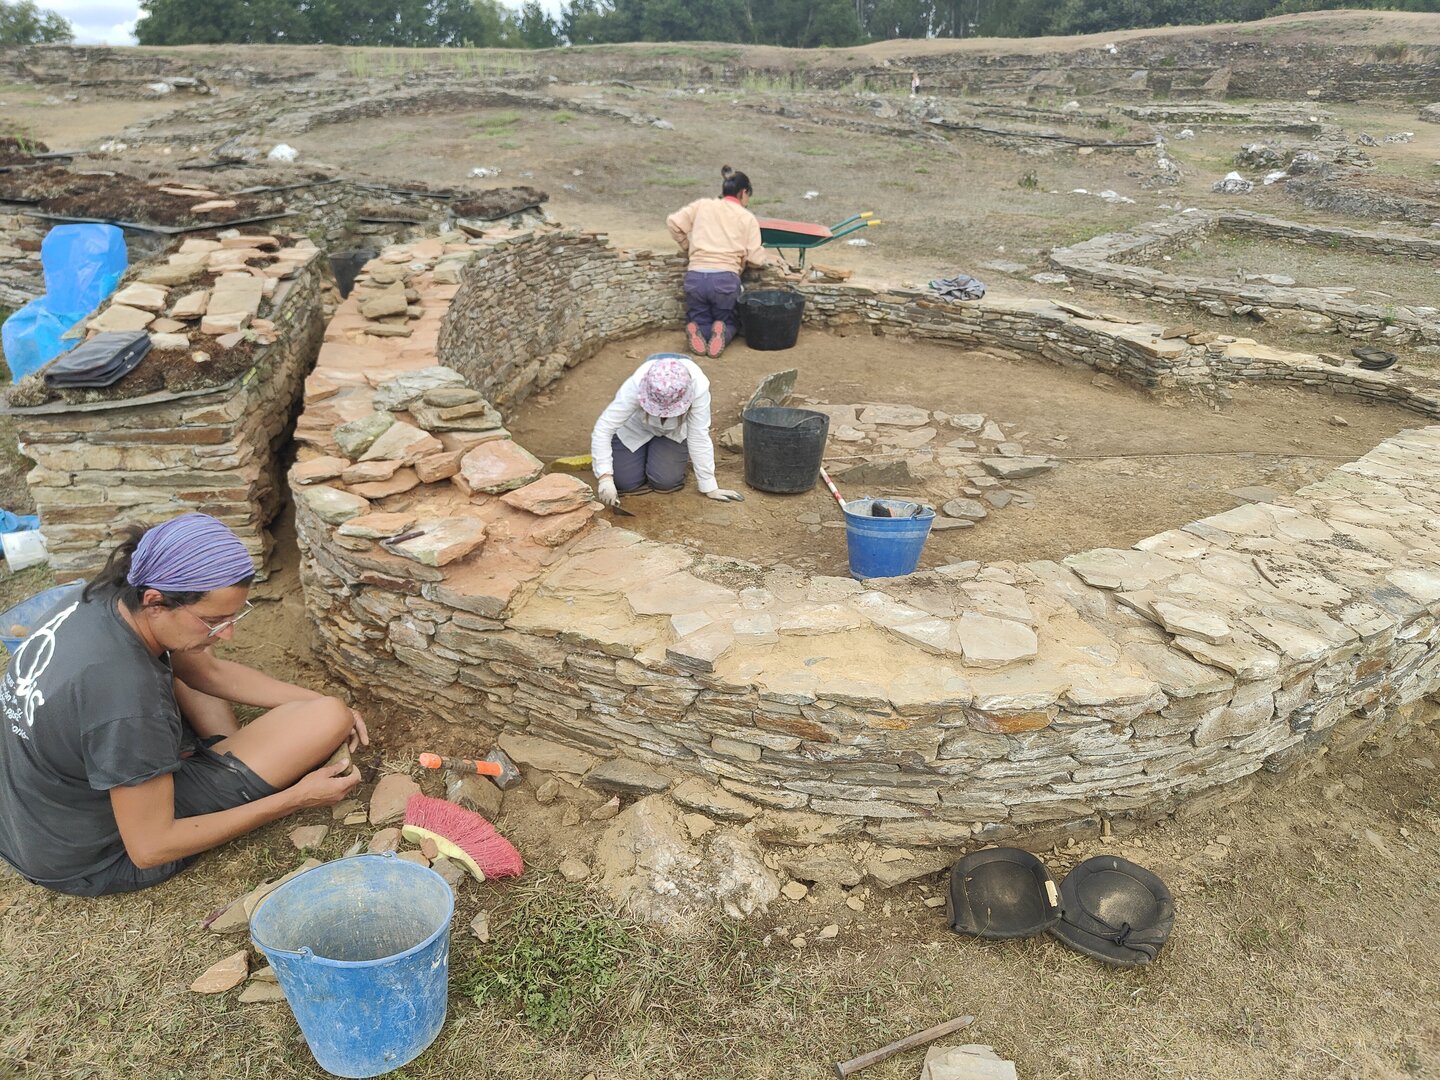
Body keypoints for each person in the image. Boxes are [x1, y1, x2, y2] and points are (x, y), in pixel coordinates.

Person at [0, 513, 367, 897]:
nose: (226, 633)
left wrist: (315, 700)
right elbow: (150, 848)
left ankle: (226, 758)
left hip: (33, 819)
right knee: (329, 718)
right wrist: (293, 798)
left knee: (321, 707)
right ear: (156, 602)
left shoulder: (106, 594)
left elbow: (206, 674)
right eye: (213, 620)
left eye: (232, 616)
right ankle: (226, 767)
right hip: (96, 857)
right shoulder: (127, 698)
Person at [591, 353, 743, 509]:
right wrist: (605, 477)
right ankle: (639, 460)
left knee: (665, 481)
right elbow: (604, 428)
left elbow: (699, 436)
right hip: (636, 429)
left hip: (673, 432)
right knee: (624, 482)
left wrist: (709, 486)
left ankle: (658, 456)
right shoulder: (637, 383)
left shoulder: (698, 386)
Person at [665, 165, 779, 359]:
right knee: (731, 320)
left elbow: (673, 222)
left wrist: (688, 247)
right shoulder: (747, 217)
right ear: (743, 192)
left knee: (699, 316)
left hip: (695, 277)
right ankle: (721, 329)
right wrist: (768, 260)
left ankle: (696, 329)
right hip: (725, 279)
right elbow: (754, 257)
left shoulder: (702, 205)